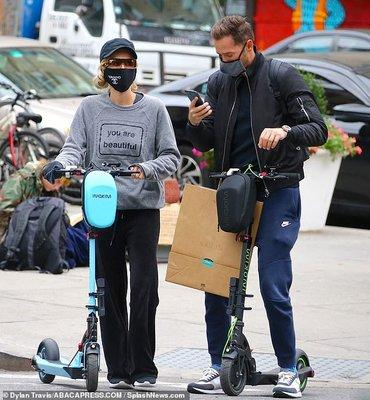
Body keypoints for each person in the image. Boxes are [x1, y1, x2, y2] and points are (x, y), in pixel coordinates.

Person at [186, 16, 327, 398]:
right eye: (218, 56)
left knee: (272, 283)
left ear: (249, 45)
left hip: (278, 190)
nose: (224, 62)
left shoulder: (282, 76)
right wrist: (195, 123)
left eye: (229, 54)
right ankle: (218, 365)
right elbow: (205, 143)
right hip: (233, 190)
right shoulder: (219, 82)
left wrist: (285, 131)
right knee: (214, 284)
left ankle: (287, 370)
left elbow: (318, 128)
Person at [42, 38, 180, 389]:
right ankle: (119, 370)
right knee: (109, 288)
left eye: (127, 62)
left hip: (143, 211)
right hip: (103, 207)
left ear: (136, 66)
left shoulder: (155, 110)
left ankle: (144, 367)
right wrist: (61, 164)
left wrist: (146, 169)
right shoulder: (90, 109)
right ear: (103, 70)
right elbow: (75, 148)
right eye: (114, 64)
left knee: (144, 288)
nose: (121, 69)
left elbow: (172, 158)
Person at [0, 160, 88, 269]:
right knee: (73, 241)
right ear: (44, 176)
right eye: (56, 183)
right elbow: (4, 213)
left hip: (39, 230)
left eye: (60, 185)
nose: (57, 187)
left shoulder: (51, 187)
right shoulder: (19, 181)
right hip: (20, 234)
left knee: (79, 229)